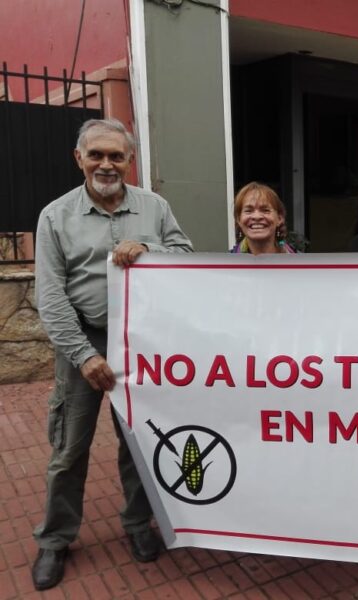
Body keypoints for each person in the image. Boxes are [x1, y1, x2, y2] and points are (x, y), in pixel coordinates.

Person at [32, 118, 193, 590]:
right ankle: (55, 539)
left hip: (140, 342)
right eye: (96, 155)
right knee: (69, 449)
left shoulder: (154, 206)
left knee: (139, 443)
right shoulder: (55, 216)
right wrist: (83, 355)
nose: (106, 164)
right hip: (83, 342)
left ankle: (138, 524)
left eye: (116, 156)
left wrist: (148, 246)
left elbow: (185, 254)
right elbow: (50, 296)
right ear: (79, 158)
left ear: (130, 161)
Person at [230, 182, 296, 254]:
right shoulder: (225, 261)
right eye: (248, 211)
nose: (257, 216)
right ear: (238, 219)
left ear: (279, 218)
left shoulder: (300, 260)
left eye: (265, 210)